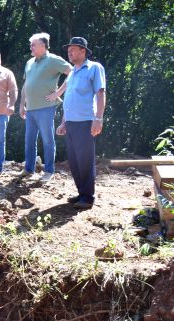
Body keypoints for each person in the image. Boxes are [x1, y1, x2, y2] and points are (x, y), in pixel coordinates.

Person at [55, 37, 106, 210]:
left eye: (73, 49)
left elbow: (100, 94)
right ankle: (81, 192)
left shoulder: (94, 68)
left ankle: (88, 197)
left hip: (85, 122)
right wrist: (63, 123)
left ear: (83, 50)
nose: (69, 52)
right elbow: (68, 100)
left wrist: (98, 119)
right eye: (68, 50)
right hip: (71, 123)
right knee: (75, 161)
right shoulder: (73, 72)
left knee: (85, 160)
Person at [19, 32, 72, 182]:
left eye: (33, 44)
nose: (31, 47)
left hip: (46, 107)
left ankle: (49, 171)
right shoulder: (29, 62)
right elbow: (26, 85)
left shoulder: (53, 60)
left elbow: (73, 73)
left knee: (47, 140)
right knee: (29, 140)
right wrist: (22, 104)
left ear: (43, 45)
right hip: (30, 109)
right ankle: (28, 169)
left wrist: (58, 92)